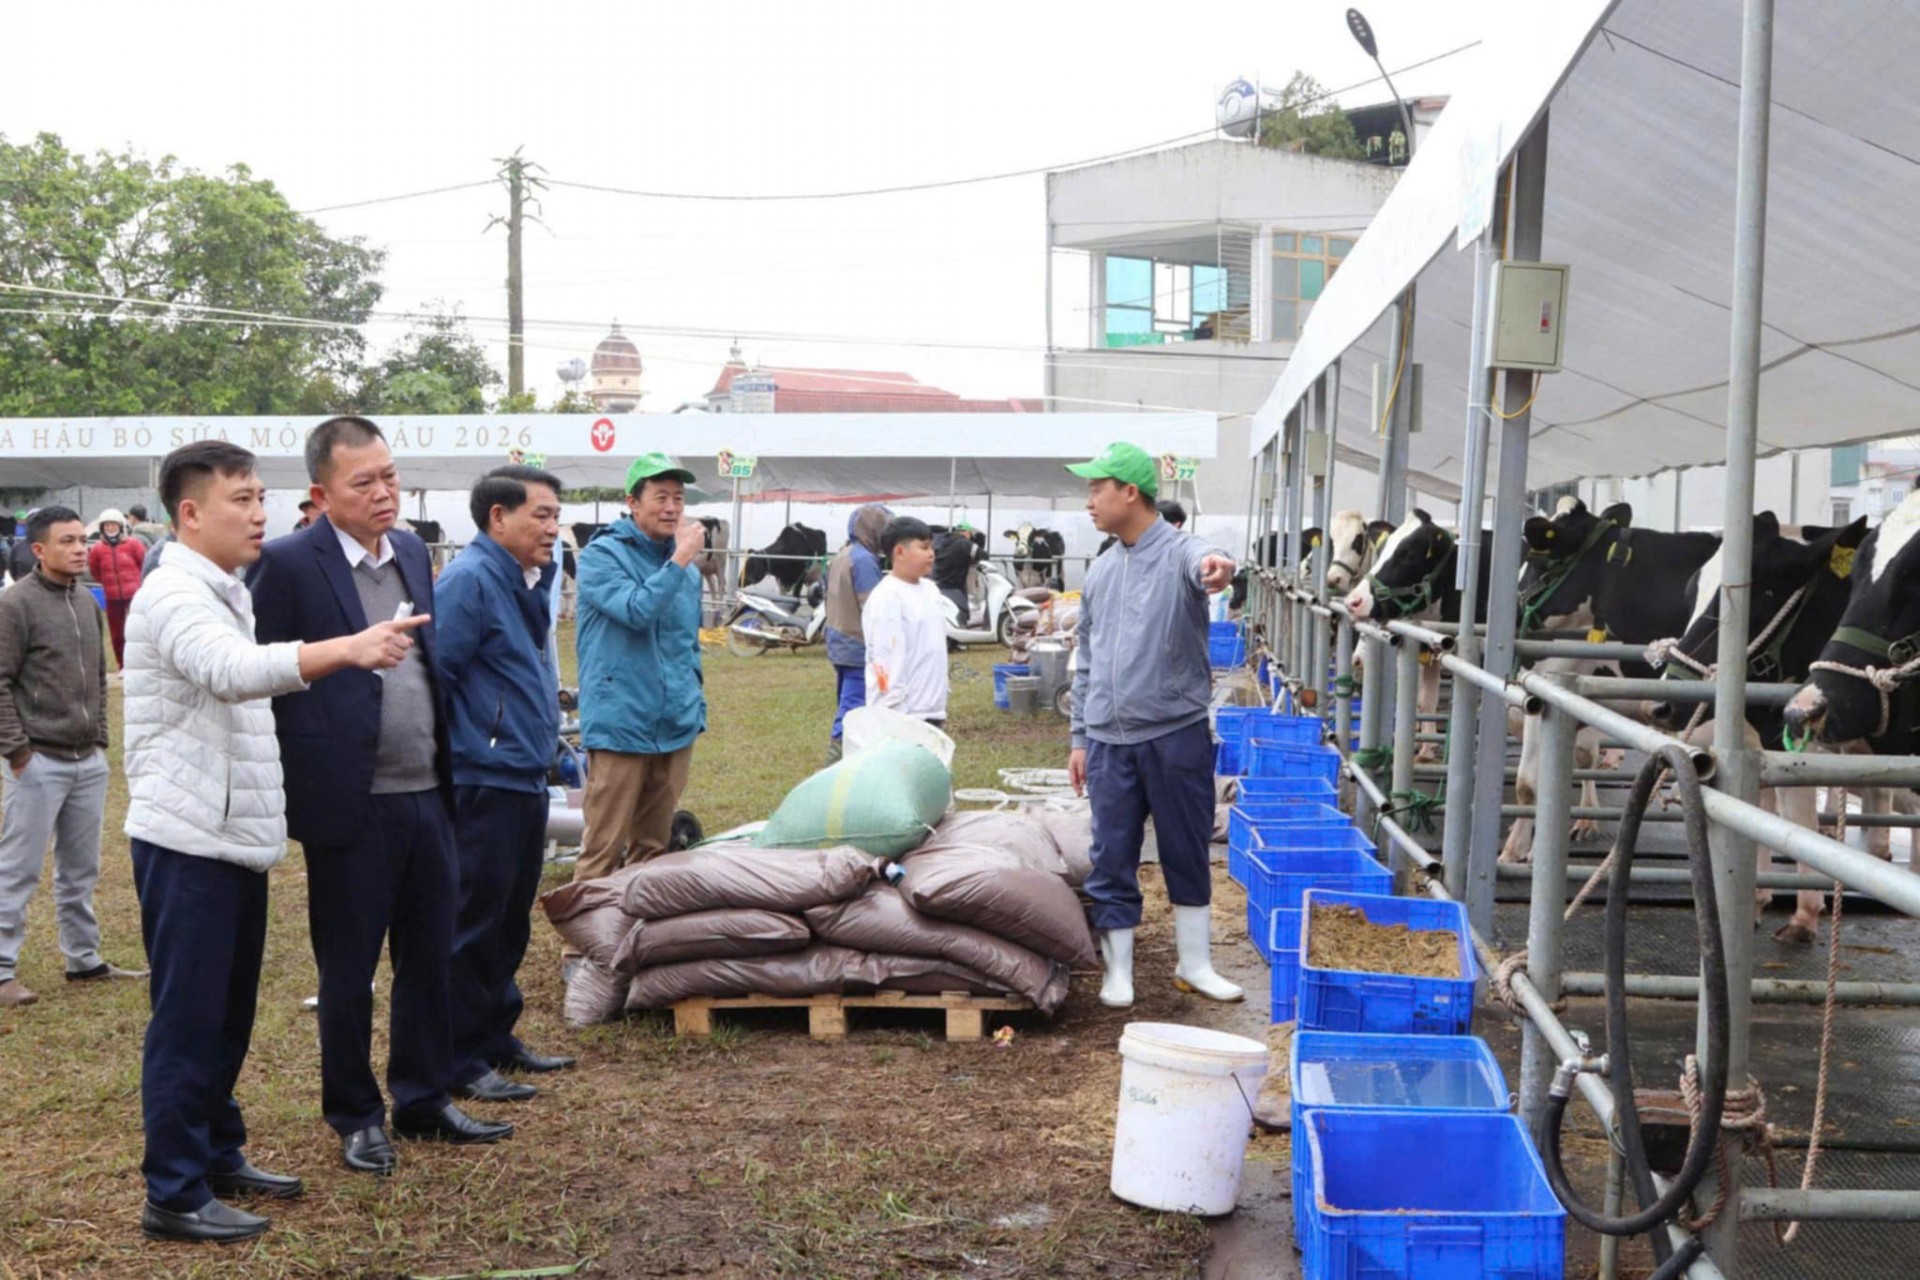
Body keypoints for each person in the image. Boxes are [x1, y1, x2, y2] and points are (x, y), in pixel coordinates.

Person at [124, 440, 430, 1242]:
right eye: (241, 500)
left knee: (226, 1016)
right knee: (188, 1020)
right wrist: (350, 649)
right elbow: (232, 671)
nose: (260, 513)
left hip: (232, 836)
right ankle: (174, 1191)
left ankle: (218, 1152)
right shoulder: (172, 594)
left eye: (262, 497)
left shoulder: (224, 588)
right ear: (190, 514)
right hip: (188, 839)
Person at [249, 416, 511, 1179]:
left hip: (430, 790)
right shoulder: (290, 564)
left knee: (429, 956)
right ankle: (356, 1114)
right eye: (363, 482)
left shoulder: (412, 553)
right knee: (349, 968)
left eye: (390, 476)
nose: (383, 493)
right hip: (351, 801)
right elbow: (266, 669)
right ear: (322, 493)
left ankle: (424, 1095)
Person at [1064, 442, 1239, 1009]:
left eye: (1097, 488)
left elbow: (1206, 560)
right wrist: (1080, 736)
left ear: (1130, 492)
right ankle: (1120, 971)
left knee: (1185, 846)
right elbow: (1086, 656)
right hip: (1110, 742)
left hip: (1174, 733)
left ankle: (1196, 963)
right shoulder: (1103, 570)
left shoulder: (1181, 553)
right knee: (1112, 852)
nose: (1089, 500)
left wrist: (1221, 567)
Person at [434, 465, 576, 1104]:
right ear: (498, 517)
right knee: (474, 920)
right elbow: (437, 676)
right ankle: (459, 1055)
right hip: (483, 778)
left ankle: (496, 1036)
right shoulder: (469, 580)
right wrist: (469, 749)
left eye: (554, 516)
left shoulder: (524, 578)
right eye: (541, 515)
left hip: (522, 773)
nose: (553, 528)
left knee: (509, 917)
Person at [0, 506, 143, 1010]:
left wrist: (101, 737)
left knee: (81, 869)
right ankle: (1, 971)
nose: (81, 548)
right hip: (37, 760)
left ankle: (83, 959)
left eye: (82, 539)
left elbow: (99, 678)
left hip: (87, 759)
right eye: (68, 541)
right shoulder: (15, 605)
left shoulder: (87, 603)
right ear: (39, 550)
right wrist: (18, 751)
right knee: (17, 869)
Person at [569, 453, 706, 958]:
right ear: (632, 503)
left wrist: (696, 703)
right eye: (661, 498)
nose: (672, 509)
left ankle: (635, 947)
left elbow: (686, 642)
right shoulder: (603, 556)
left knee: (653, 846)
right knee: (603, 846)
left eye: (679, 498)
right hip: (622, 719)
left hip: (674, 720)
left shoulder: (682, 564)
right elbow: (636, 610)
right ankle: (582, 956)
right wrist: (678, 562)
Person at [863, 516, 950, 726]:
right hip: (904, 714)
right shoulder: (887, 597)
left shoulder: (931, 590)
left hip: (932, 707)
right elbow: (885, 656)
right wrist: (892, 709)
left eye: (931, 547)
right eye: (924, 547)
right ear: (900, 552)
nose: (931, 554)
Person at [821, 504, 890, 762]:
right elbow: (872, 608)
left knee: (846, 703)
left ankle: (845, 757)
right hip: (856, 644)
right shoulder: (864, 561)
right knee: (851, 710)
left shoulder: (842, 554)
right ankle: (833, 763)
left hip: (837, 640)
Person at [87, 508, 146, 669]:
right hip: (112, 596)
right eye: (107, 526)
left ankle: (140, 663)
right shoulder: (97, 550)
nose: (111, 528)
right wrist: (108, 583)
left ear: (120, 526)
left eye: (113, 525)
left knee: (138, 630)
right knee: (117, 633)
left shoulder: (134, 544)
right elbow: (95, 572)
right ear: (102, 528)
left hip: (134, 594)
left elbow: (143, 564)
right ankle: (122, 665)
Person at [932, 521, 986, 623]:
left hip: (938, 580)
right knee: (963, 612)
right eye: (970, 534)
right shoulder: (964, 543)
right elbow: (983, 555)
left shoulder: (943, 541)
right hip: (953, 584)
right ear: (967, 533)